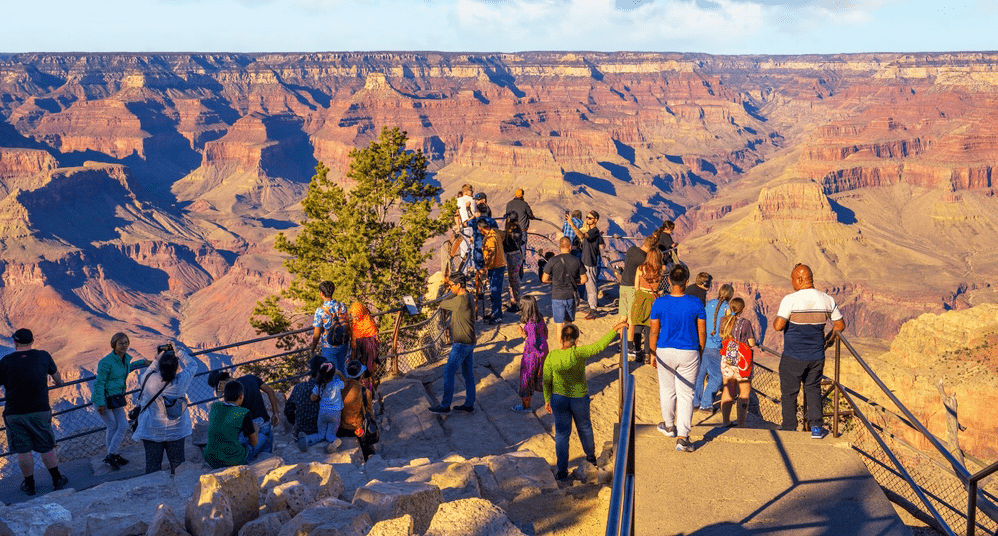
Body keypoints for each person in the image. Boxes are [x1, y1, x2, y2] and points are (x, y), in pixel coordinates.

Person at [543, 320, 628, 480]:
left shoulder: (552, 356)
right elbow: (599, 346)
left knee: (562, 434)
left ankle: (562, 471)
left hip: (559, 399)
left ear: (561, 339)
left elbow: (547, 380)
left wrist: (547, 399)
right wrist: (615, 329)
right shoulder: (579, 353)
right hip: (579, 398)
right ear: (576, 340)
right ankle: (591, 458)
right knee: (585, 428)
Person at [773, 264, 845, 438]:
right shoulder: (827, 299)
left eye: (792, 279)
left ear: (799, 279)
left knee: (789, 392)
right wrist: (828, 340)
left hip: (793, 356)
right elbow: (840, 325)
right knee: (813, 389)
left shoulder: (790, 299)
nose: (792, 283)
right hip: (816, 356)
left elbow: (778, 326)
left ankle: (789, 427)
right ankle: (816, 428)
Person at [0, 329, 68, 496]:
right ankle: (57, 479)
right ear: (32, 341)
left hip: (15, 412)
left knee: (23, 451)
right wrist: (59, 383)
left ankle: (30, 485)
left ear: (15, 343)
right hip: (40, 409)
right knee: (47, 446)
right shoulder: (43, 356)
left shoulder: (6, 360)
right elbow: (57, 378)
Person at [650, 265, 706, 453]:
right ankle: (683, 437)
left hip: (664, 350)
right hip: (689, 351)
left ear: (670, 280)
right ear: (687, 282)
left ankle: (668, 426)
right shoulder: (696, 303)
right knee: (686, 394)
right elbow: (702, 332)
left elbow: (654, 332)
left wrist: (652, 353)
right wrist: (700, 352)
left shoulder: (659, 303)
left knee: (667, 390)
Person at [132, 343, 200, 474]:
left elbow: (151, 369)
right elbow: (193, 365)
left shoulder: (148, 379)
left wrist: (158, 358)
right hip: (176, 431)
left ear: (160, 366)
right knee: (178, 465)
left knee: (152, 466)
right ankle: (179, 485)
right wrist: (179, 352)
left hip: (152, 430)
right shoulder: (181, 381)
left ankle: (155, 486)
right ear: (177, 367)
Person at [93, 332, 149, 470]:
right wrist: (100, 403)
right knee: (112, 426)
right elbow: (99, 383)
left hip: (116, 398)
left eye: (125, 343)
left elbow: (128, 368)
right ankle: (113, 455)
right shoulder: (106, 362)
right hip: (104, 399)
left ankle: (112, 455)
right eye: (120, 343)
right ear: (114, 345)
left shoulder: (124, 359)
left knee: (123, 425)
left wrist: (144, 362)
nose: (124, 345)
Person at [429, 273, 478, 414]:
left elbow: (442, 303)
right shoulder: (468, 296)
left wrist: (449, 293)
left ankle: (445, 405)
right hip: (469, 340)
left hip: (461, 343)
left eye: (451, 285)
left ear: (458, 285)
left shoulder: (459, 301)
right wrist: (452, 291)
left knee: (448, 372)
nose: (450, 288)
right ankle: (469, 404)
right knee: (468, 374)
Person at [207, 368, 280, 461]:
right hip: (264, 424)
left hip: (249, 431)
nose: (221, 392)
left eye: (218, 389)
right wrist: (275, 413)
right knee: (266, 445)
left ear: (221, 383)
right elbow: (270, 391)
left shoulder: (231, 394)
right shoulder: (251, 378)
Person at [693, 284, 734, 413]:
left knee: (700, 375)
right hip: (715, 347)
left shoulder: (710, 303)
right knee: (717, 377)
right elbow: (730, 327)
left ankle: (695, 402)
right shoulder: (728, 308)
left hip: (702, 344)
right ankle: (706, 404)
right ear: (730, 296)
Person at [719, 298, 756, 427]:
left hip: (727, 359)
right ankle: (741, 424)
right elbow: (751, 343)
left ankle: (725, 421)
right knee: (744, 393)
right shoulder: (745, 323)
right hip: (742, 361)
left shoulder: (724, 321)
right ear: (742, 309)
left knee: (728, 391)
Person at [204, 380, 258, 469]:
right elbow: (254, 442)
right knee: (263, 437)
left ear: (225, 396)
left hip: (211, 459)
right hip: (232, 460)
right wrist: (256, 429)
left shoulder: (215, 407)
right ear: (241, 396)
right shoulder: (243, 412)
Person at [542, 237, 588, 340]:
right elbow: (584, 279)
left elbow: (544, 279)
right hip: (571, 295)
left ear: (560, 247)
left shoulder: (553, 260)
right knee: (569, 325)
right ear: (570, 247)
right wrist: (575, 282)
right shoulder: (576, 260)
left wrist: (553, 281)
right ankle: (569, 345)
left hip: (557, 296)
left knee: (559, 325)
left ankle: (560, 347)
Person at [298, 362, 346, 451]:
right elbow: (345, 382)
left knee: (321, 434)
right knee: (330, 435)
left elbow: (312, 398)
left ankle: (308, 438)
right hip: (335, 413)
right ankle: (334, 440)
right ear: (333, 373)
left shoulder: (319, 386)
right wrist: (339, 373)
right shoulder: (337, 384)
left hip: (323, 412)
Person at [512, 296, 548, 412]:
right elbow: (546, 334)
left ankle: (525, 406)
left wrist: (523, 334)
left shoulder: (530, 325)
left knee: (526, 379)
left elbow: (532, 344)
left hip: (532, 356)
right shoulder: (540, 318)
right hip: (543, 351)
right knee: (537, 376)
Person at [569, 211, 605, 319]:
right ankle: (591, 307)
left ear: (596, 220)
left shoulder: (594, 231)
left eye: (590, 218)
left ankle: (593, 310)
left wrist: (572, 224)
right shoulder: (592, 231)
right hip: (586, 260)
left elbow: (581, 235)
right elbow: (602, 245)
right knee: (588, 285)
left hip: (590, 262)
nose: (587, 219)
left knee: (591, 285)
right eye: (587, 217)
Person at [337, 359, 376, 459]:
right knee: (371, 452)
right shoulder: (365, 392)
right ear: (361, 375)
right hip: (356, 430)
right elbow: (369, 413)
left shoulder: (340, 388)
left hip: (340, 429)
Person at [619, 236, 652, 353]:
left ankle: (621, 343)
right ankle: (629, 345)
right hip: (632, 287)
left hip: (623, 285)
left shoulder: (631, 249)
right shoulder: (643, 258)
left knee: (623, 315)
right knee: (632, 318)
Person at [310, 280, 351, 372]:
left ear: (321, 294)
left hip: (329, 345)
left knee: (331, 371)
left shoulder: (320, 311)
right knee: (342, 369)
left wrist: (312, 350)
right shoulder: (342, 306)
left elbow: (317, 334)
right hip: (343, 342)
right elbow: (347, 323)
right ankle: (344, 381)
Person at [631, 247, 663, 365]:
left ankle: (638, 352)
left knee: (638, 327)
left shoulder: (640, 269)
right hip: (653, 299)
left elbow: (636, 286)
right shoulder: (660, 270)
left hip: (640, 297)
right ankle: (647, 355)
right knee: (649, 329)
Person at [285, 355, 324, 442]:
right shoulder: (326, 389)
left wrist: (296, 423)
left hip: (300, 432)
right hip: (319, 431)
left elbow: (288, 410)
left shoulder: (298, 387)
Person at [504, 187, 537, 278]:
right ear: (522, 195)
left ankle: (509, 262)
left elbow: (507, 214)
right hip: (522, 229)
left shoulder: (509, 204)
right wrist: (532, 217)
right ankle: (522, 263)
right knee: (522, 246)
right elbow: (530, 215)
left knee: (511, 245)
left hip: (510, 229)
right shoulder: (524, 204)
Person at [349, 301, 380, 392]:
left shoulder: (369, 323)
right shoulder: (354, 324)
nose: (355, 318)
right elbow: (353, 338)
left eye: (357, 315)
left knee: (369, 371)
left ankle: (370, 390)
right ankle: (362, 391)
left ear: (362, 313)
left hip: (368, 354)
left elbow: (375, 338)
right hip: (358, 353)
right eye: (353, 315)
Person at [480, 219, 506, 324]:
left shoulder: (490, 239)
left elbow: (490, 253)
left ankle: (498, 316)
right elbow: (504, 235)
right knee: (494, 291)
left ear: (481, 229)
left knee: (495, 292)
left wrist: (486, 266)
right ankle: (494, 313)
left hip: (495, 267)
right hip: (499, 265)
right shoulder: (496, 232)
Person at [502, 218, 524, 312]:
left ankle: (517, 304)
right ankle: (513, 301)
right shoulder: (518, 230)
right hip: (517, 256)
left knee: (514, 281)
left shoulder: (511, 234)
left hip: (512, 258)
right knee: (513, 280)